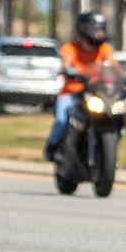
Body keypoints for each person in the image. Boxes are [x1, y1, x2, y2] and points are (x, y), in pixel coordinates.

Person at [43, 10, 119, 162]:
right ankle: (51, 147)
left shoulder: (105, 49)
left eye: (102, 29)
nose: (99, 33)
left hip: (96, 93)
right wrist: (69, 70)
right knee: (62, 119)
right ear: (84, 29)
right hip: (71, 94)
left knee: (115, 115)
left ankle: (109, 155)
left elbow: (114, 66)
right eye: (96, 30)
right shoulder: (69, 48)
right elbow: (66, 63)